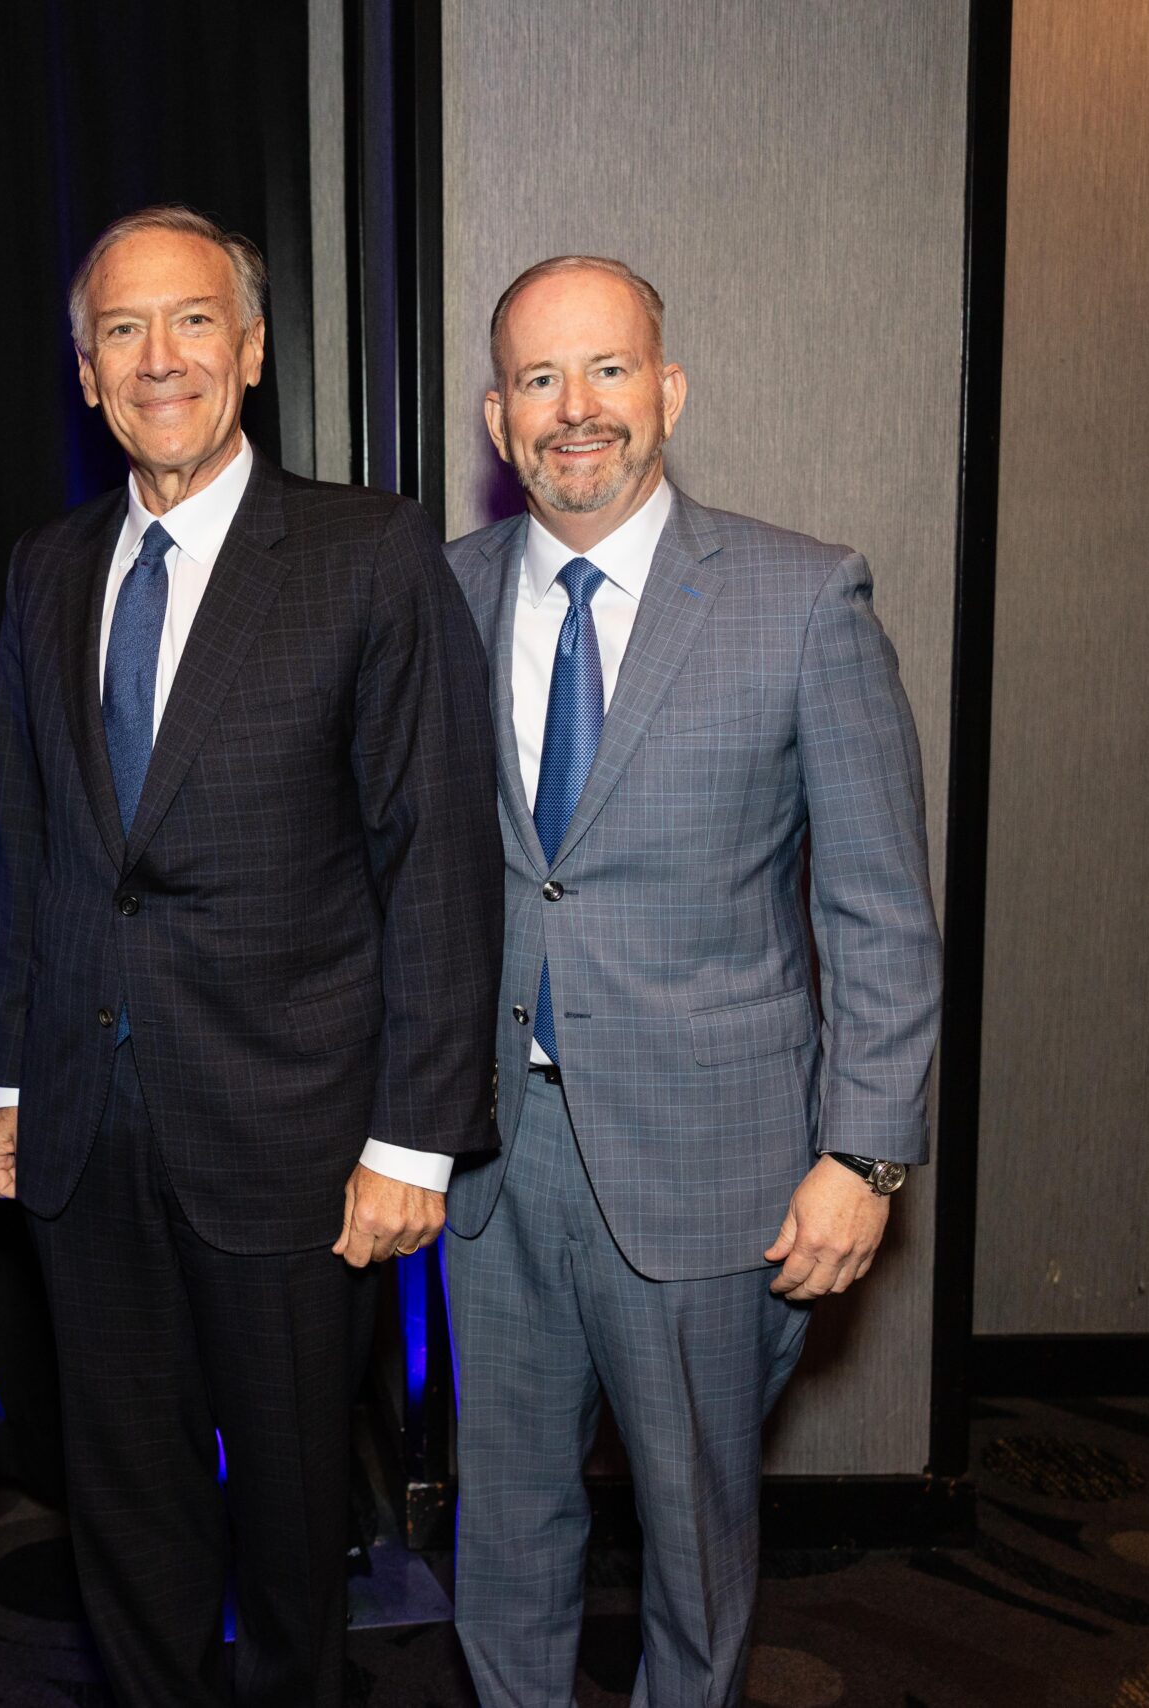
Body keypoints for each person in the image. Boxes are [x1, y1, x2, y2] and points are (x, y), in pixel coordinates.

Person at [0, 205, 503, 1708]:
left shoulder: (367, 551)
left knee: (287, 1524)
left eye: (193, 321)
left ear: (254, 351)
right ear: (84, 374)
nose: (160, 359)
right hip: (86, 1125)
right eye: (122, 333)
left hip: (294, 1133)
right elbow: (31, 844)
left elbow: (439, 859)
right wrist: (10, 1077)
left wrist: (415, 1137)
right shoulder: (43, 568)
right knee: (127, 1510)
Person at [441, 255, 943, 1707]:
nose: (574, 409)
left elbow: (880, 911)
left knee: (697, 1549)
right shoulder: (441, 593)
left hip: (716, 1167)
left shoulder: (802, 599)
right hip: (496, 1160)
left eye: (607, 371)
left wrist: (865, 1153)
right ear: (496, 414)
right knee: (507, 1531)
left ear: (668, 391)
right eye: (539, 379)